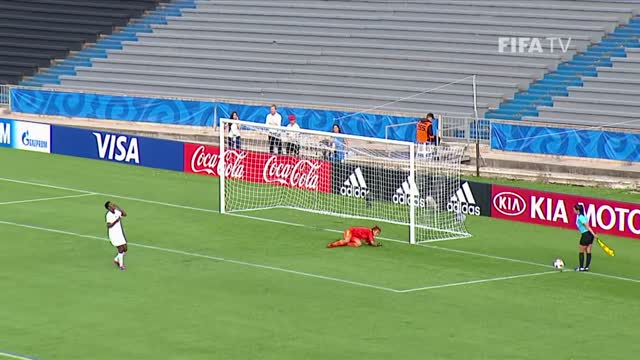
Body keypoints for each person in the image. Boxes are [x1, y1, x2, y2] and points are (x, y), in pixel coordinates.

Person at [105, 201, 128, 270]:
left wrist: (118, 208)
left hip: (120, 233)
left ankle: (116, 259)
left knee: (125, 248)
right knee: (120, 249)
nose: (112, 205)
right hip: (114, 234)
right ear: (108, 208)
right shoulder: (108, 215)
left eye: (112, 204)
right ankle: (121, 265)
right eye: (111, 205)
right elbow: (108, 225)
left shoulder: (116, 211)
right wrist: (116, 221)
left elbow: (125, 214)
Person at [574, 204, 597, 272]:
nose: (574, 211)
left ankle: (581, 267)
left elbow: (587, 226)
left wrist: (593, 234)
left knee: (581, 251)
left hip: (585, 234)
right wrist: (593, 234)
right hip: (590, 235)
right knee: (588, 250)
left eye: (574, 209)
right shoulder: (584, 216)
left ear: (578, 210)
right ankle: (586, 267)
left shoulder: (581, 218)